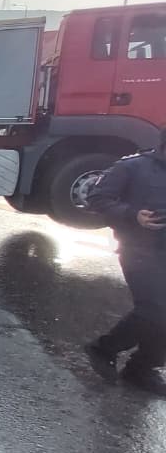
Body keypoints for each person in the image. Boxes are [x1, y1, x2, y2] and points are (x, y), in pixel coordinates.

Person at [86, 127, 166, 385]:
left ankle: (142, 369)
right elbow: (97, 198)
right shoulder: (132, 166)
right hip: (138, 248)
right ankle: (104, 348)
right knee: (155, 310)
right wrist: (133, 215)